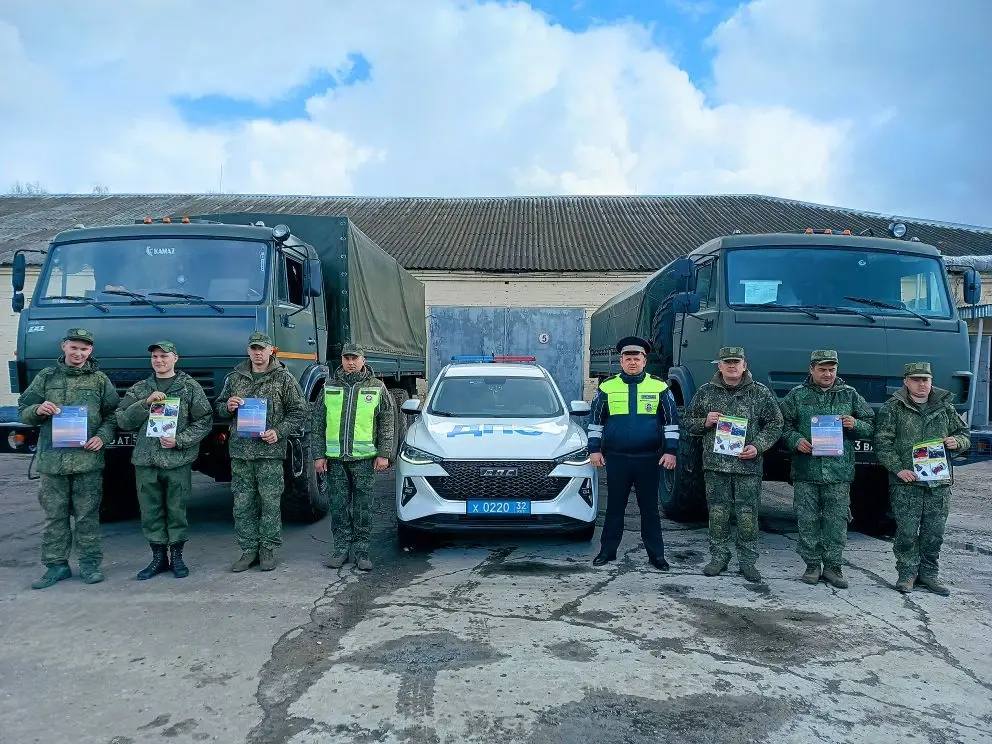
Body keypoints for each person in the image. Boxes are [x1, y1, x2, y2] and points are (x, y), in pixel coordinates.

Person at [17, 328, 119, 588]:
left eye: (84, 349)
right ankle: (56, 566)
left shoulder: (99, 380)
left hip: (87, 461)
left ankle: (90, 565)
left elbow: (113, 415)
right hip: (53, 462)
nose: (78, 353)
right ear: (64, 347)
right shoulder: (46, 377)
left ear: (91, 351)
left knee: (87, 516)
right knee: (55, 517)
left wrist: (103, 437)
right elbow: (23, 410)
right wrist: (38, 409)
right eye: (74, 347)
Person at [684, 346, 783, 582]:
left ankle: (747, 562)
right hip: (716, 465)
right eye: (727, 362)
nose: (731, 366)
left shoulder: (759, 393)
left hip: (747, 466)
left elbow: (775, 423)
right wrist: (704, 422)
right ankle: (719, 557)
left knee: (748, 514)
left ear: (744, 365)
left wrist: (758, 446)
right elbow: (687, 422)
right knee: (718, 513)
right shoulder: (706, 392)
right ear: (719, 366)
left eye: (736, 362)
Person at [116, 341, 213, 580]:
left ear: (175, 358)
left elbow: (205, 420)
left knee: (176, 510)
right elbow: (123, 420)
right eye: (155, 357)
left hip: (176, 461)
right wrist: (145, 404)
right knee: (151, 512)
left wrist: (179, 440)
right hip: (146, 460)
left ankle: (177, 557)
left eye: (164, 356)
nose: (159, 360)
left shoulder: (189, 387)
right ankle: (158, 558)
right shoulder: (141, 388)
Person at [779, 350, 875, 588]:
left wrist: (856, 424)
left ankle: (833, 567)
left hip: (838, 472)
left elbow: (871, 425)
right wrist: (795, 440)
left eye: (832, 369)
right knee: (807, 519)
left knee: (836, 521)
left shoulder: (849, 395)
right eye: (822, 369)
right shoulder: (796, 396)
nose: (828, 374)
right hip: (806, 470)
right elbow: (781, 425)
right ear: (811, 369)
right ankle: (812, 566)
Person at [874, 362, 970, 595]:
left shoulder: (945, 408)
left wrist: (957, 443)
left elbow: (964, 434)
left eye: (925, 380)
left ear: (931, 381)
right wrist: (898, 469)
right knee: (906, 532)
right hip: (907, 482)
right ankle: (907, 574)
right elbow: (882, 443)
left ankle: (929, 574)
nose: (922, 384)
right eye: (916, 380)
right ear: (906, 381)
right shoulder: (893, 408)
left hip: (938, 483)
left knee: (934, 532)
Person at [217, 332, 308, 572]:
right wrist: (227, 406)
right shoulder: (234, 377)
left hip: (269, 452)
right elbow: (218, 406)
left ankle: (268, 550)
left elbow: (299, 412)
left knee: (269, 503)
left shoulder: (283, 379)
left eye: (262, 349)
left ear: (271, 351)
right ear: (248, 351)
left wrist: (279, 431)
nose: (258, 353)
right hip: (241, 453)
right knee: (243, 503)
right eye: (254, 349)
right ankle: (248, 550)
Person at [588, 336, 678, 570]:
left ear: (644, 360)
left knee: (650, 510)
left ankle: (656, 556)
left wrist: (671, 451)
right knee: (614, 509)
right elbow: (595, 421)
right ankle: (607, 552)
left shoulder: (660, 387)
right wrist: (594, 449)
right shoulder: (607, 387)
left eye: (636, 358)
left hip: (649, 459)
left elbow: (671, 423)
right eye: (628, 358)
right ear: (621, 361)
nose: (632, 362)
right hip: (616, 459)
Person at [313, 343, 395, 572]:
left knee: (363, 507)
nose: (350, 362)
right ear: (341, 360)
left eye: (355, 358)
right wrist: (318, 455)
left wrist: (384, 453)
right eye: (346, 358)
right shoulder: (329, 387)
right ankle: (340, 550)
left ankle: (362, 552)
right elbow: (318, 422)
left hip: (364, 460)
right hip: (336, 460)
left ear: (363, 360)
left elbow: (387, 423)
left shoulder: (377, 387)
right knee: (338, 507)